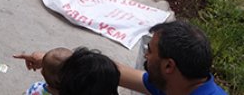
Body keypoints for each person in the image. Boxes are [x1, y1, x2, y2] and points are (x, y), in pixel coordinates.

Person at [21, 21, 227, 94]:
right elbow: (111, 72)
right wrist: (54, 61)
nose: (145, 54)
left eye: (151, 51)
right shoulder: (175, 84)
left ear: (168, 66)